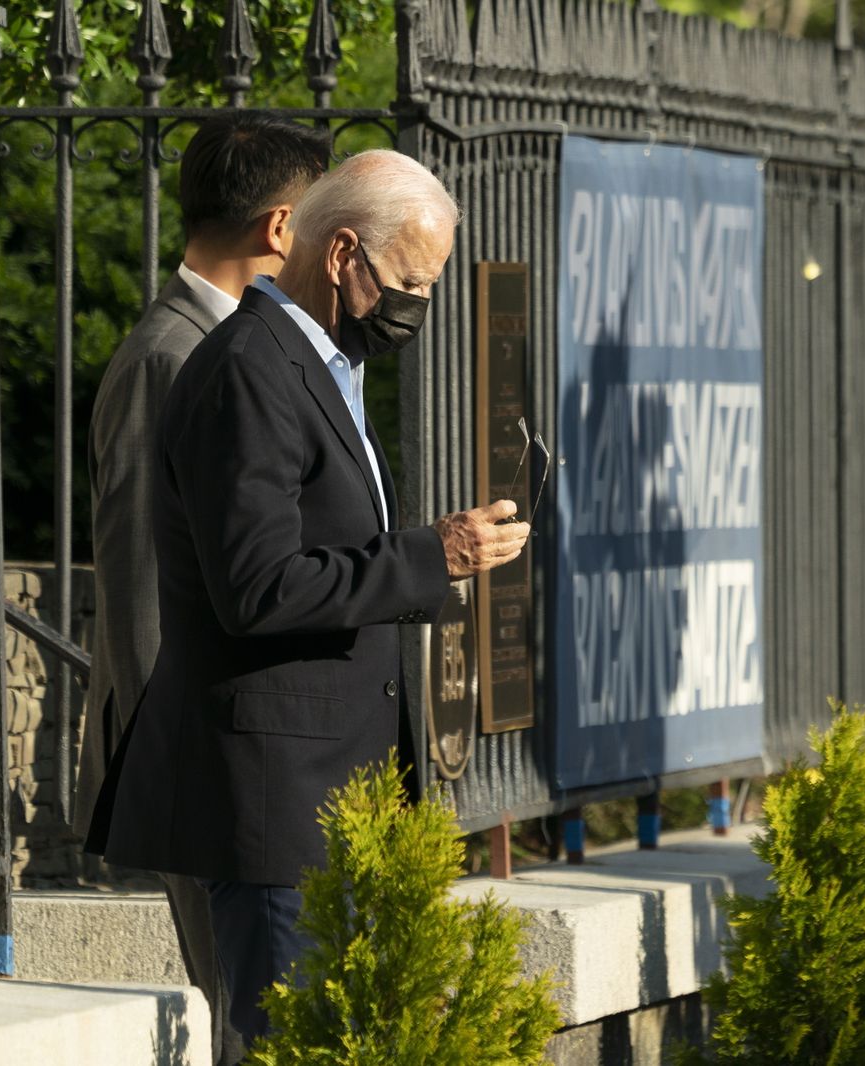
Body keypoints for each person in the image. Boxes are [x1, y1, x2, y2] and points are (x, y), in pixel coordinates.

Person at [85, 149, 529, 1052]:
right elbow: (256, 587)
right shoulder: (251, 367)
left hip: (330, 796)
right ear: (340, 256)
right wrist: (429, 554)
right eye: (408, 282)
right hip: (276, 804)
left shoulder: (313, 363)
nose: (419, 307)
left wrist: (426, 559)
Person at [74, 113, 332, 1066]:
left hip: (227, 751)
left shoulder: (232, 349)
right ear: (277, 228)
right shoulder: (174, 358)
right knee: (241, 1017)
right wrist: (177, 759)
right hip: (200, 755)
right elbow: (141, 575)